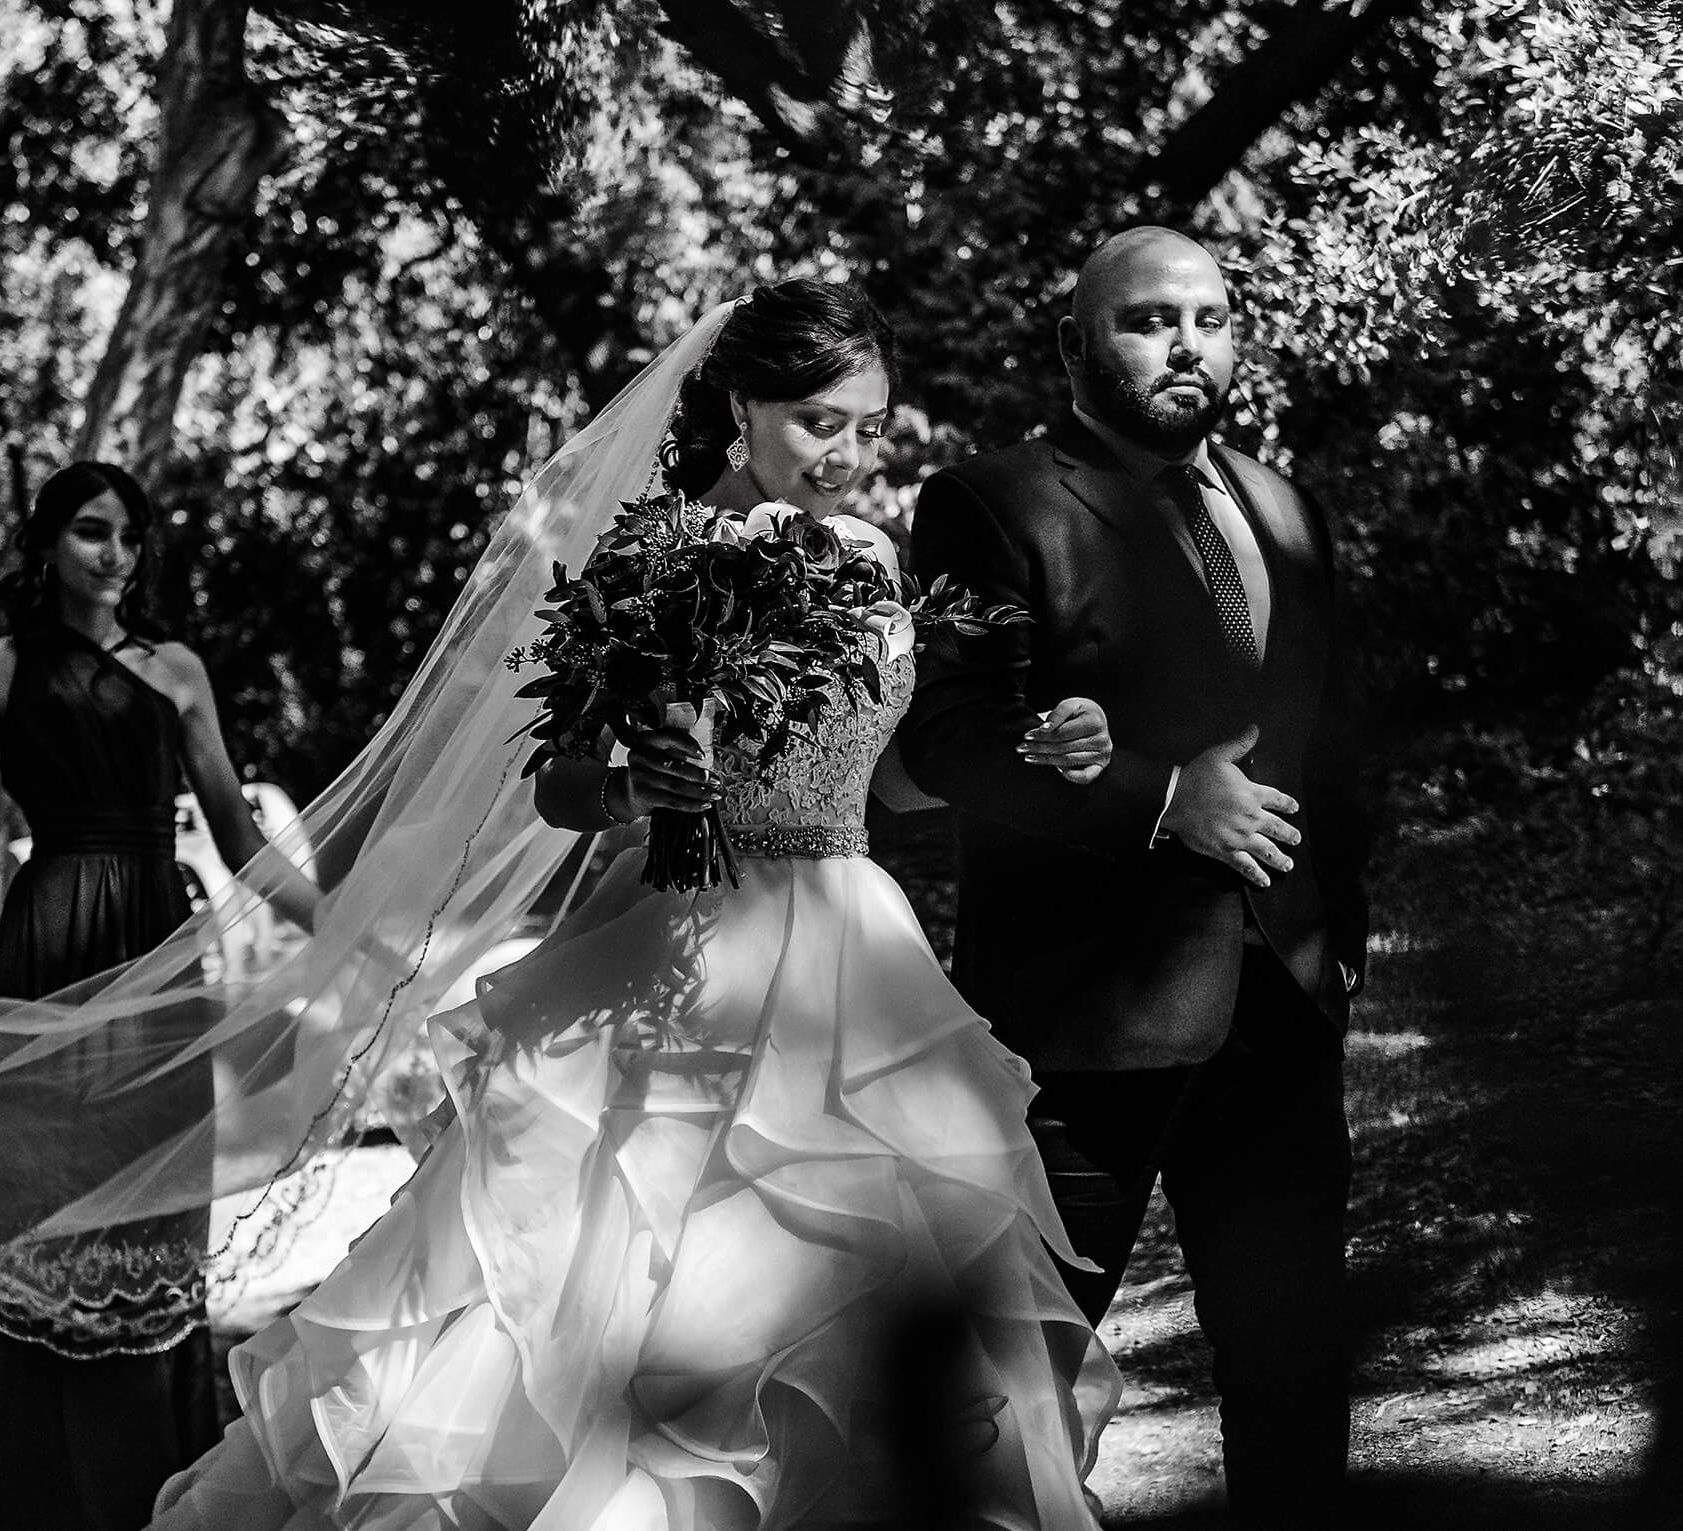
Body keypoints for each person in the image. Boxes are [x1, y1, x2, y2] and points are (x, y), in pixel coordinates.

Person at [145, 279, 1122, 1530]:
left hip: (853, 961)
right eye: (821, 419)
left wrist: (1026, 755)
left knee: (880, 1289)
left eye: (869, 426)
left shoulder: (873, 558)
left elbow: (884, 783)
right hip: (688, 944)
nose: (848, 454)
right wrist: (631, 782)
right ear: (735, 404)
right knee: (638, 1293)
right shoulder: (648, 556)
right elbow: (560, 783)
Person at [895, 228, 1371, 1528]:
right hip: (1080, 1024)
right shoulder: (985, 504)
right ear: (1074, 343)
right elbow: (947, 736)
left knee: (1292, 1361)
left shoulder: (1286, 508)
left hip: (1280, 1007)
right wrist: (1163, 799)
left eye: (1211, 317)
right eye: (1149, 319)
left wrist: (1340, 948)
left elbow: (1336, 745)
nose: (1187, 344)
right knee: (1017, 1372)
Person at [0, 461, 318, 1531]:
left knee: (158, 1201)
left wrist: (344, 920)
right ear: (45, 544)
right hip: (49, 948)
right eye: (90, 531)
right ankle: (27, 1481)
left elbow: (235, 836)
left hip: (159, 948)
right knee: (37, 1206)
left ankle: (155, 1477)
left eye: (130, 534)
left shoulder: (177, 669)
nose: (114, 553)